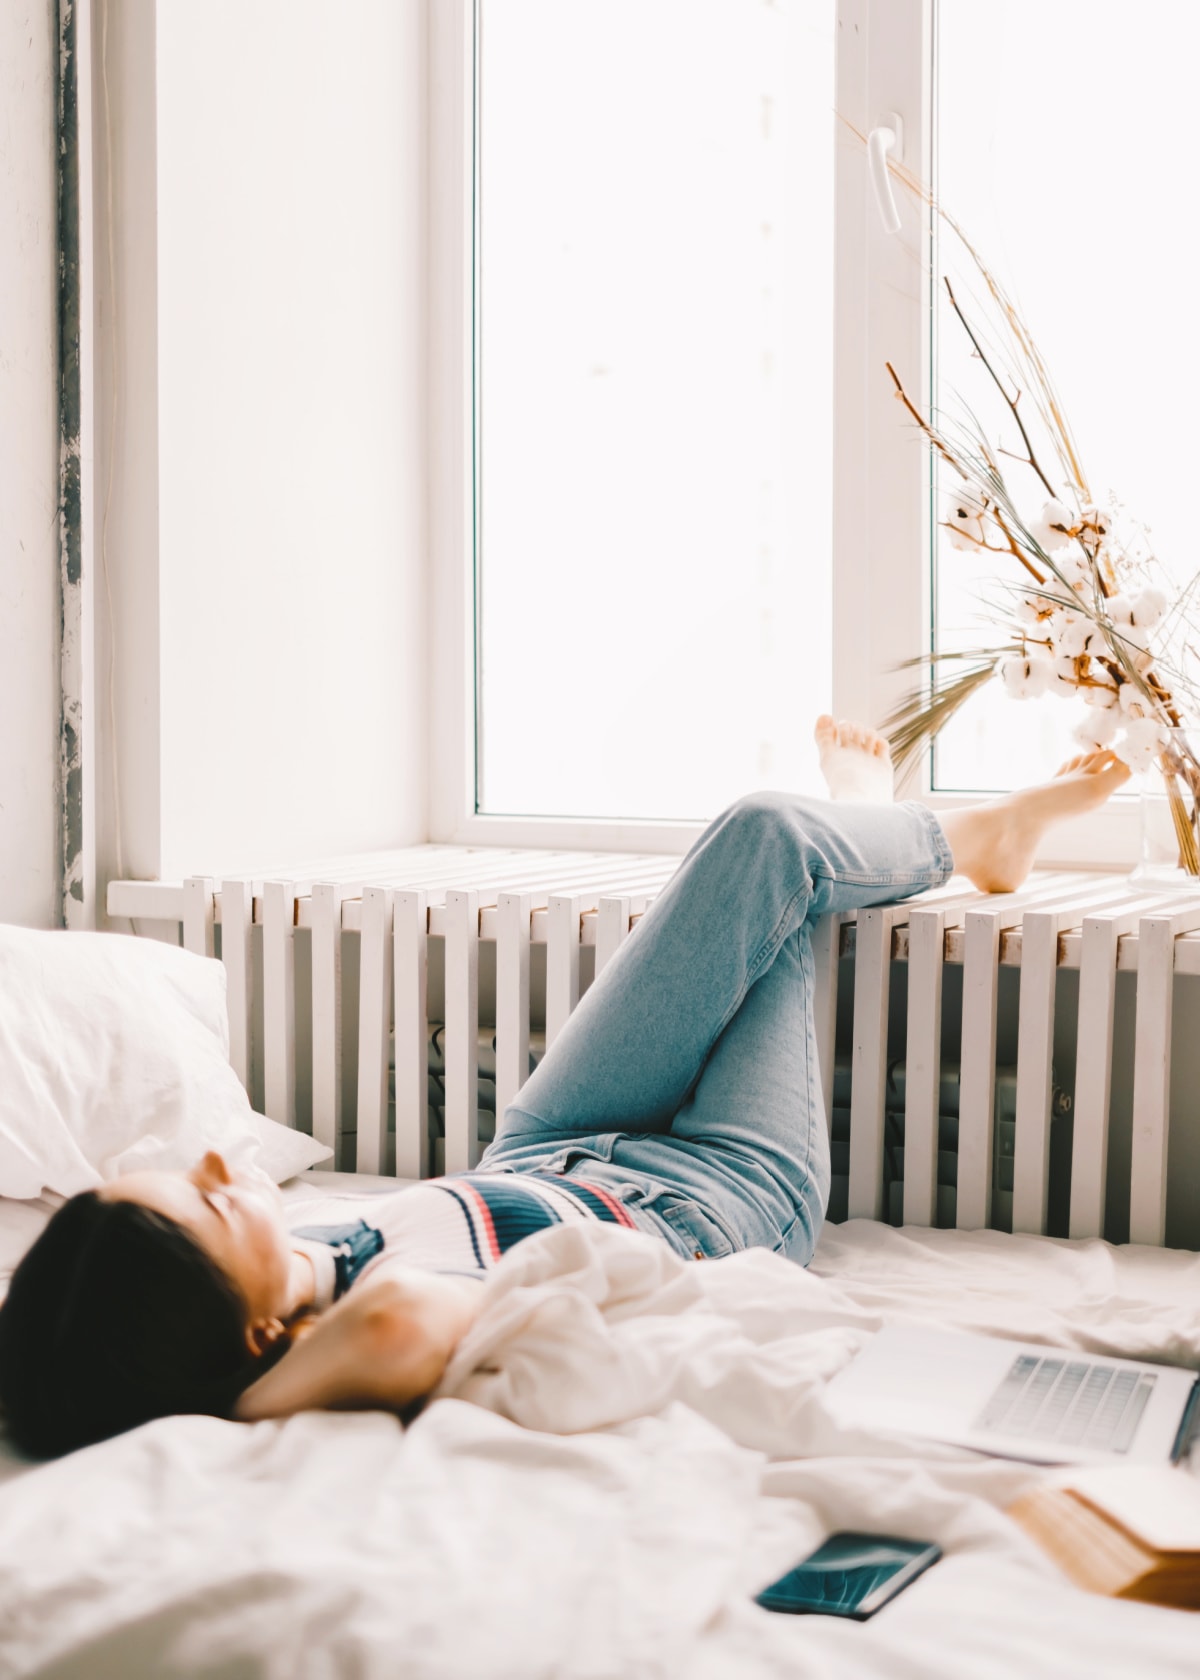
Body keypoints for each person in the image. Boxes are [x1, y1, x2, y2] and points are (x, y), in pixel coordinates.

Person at [0, 720, 1129, 1458]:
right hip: (714, 1200)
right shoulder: (364, 1327)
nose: (211, 1166)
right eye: (204, 1204)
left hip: (548, 1142)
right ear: (251, 1333)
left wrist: (256, 1274)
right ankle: (943, 826)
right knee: (779, 847)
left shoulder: (299, 1248)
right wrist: (241, 1394)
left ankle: (868, 812)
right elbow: (399, 1327)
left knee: (762, 849)